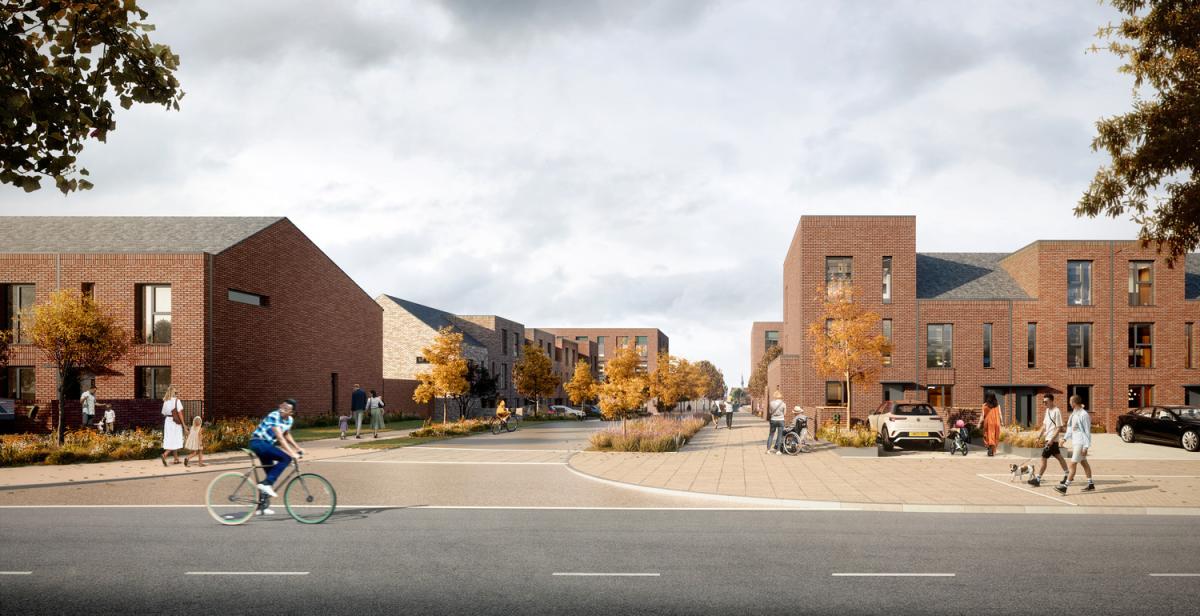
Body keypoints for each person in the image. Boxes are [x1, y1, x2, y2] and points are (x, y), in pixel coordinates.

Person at [250, 399, 305, 516]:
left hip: (266, 445)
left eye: (286, 409)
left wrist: (297, 448)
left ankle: (261, 507)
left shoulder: (289, 420)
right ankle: (266, 484)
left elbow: (286, 434)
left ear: (291, 412)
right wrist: (291, 453)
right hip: (258, 442)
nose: (282, 409)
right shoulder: (274, 415)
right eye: (282, 407)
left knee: (270, 475)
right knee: (286, 458)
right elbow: (280, 438)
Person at [1055, 395, 1095, 494]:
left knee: (1072, 464)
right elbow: (1070, 429)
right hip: (1076, 442)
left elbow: (1087, 432)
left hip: (1081, 443)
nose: (1069, 403)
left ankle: (1065, 486)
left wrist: (1086, 447)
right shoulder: (1074, 414)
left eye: (1070, 401)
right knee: (1084, 463)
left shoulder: (1083, 415)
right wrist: (1064, 438)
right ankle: (1090, 484)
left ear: (1074, 403)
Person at [1029, 394, 1069, 488]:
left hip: (1052, 440)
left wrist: (1051, 440)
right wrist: (1038, 437)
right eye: (1043, 402)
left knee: (1043, 458)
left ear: (1051, 401)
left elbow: (1059, 427)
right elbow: (1044, 426)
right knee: (1059, 457)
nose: (1044, 403)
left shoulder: (1056, 411)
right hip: (1049, 439)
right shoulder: (1047, 411)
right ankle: (1067, 475)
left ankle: (1038, 479)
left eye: (1046, 401)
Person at [159, 387, 185, 466]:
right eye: (176, 393)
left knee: (171, 438)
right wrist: (183, 424)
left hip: (168, 421)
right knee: (176, 438)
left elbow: (163, 413)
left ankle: (176, 459)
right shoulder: (177, 401)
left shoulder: (166, 401)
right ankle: (165, 455)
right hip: (175, 422)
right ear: (174, 393)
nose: (177, 394)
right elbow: (180, 413)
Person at [979, 392, 1002, 457]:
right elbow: (1000, 414)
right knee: (995, 436)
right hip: (996, 422)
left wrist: (979, 423)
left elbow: (982, 415)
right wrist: (1002, 422)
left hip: (988, 422)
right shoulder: (997, 405)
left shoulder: (984, 405)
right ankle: (992, 449)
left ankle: (990, 447)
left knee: (988, 435)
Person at [767, 389, 786, 455]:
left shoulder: (771, 403)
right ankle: (778, 451)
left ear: (774, 396)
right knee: (780, 435)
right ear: (780, 396)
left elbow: (770, 412)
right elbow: (785, 413)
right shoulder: (783, 404)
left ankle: (768, 450)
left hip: (773, 420)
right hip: (781, 420)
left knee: (771, 435)